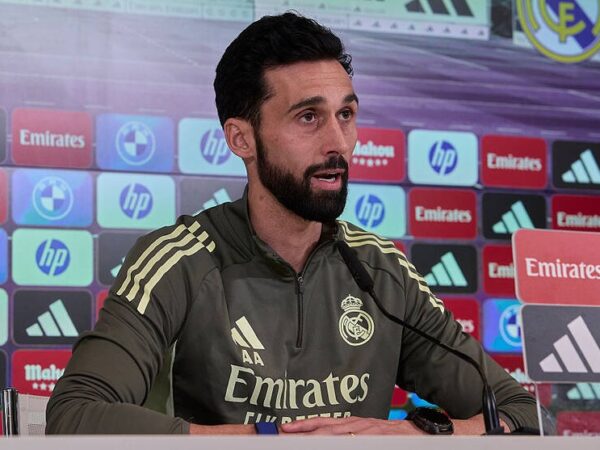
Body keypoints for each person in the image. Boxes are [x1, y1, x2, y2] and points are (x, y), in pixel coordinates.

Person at [46, 12, 538, 435]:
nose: (338, 143)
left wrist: (414, 434)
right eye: (308, 117)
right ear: (241, 139)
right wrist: (268, 438)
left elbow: (521, 413)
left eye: (346, 114)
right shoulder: (178, 262)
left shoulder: (382, 269)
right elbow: (74, 415)